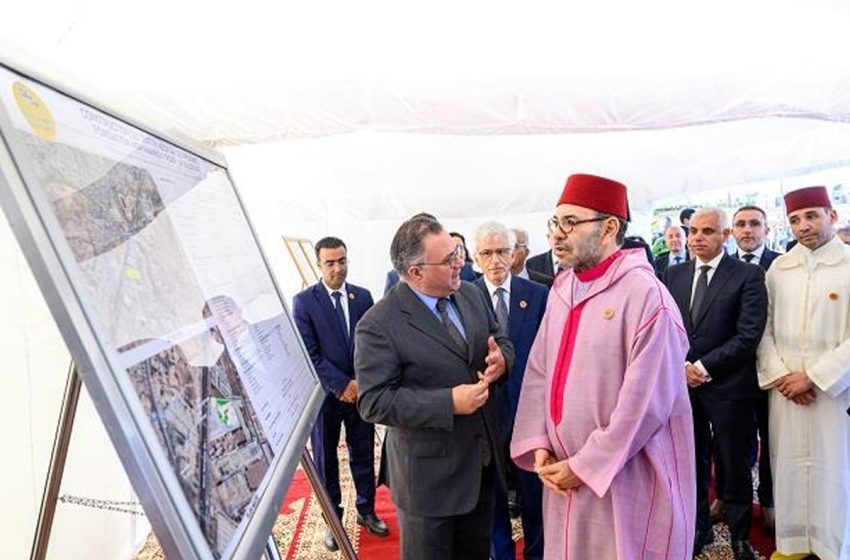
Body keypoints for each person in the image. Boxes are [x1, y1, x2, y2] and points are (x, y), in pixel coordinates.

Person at [511, 173, 695, 559]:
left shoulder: (646, 296)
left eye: (571, 223)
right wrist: (540, 442)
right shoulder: (564, 288)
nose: (558, 234)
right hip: (564, 475)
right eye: (555, 222)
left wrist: (586, 464)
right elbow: (539, 372)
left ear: (610, 227)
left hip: (624, 475)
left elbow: (644, 406)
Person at [355, 215, 515, 560]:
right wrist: (449, 403)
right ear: (416, 272)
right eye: (449, 260)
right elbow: (374, 402)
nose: (461, 262)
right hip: (429, 485)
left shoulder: (471, 293)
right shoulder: (379, 324)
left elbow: (499, 338)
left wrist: (503, 359)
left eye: (458, 252)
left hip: (481, 466)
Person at [663, 208, 767, 560]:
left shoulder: (748, 275)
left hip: (730, 388)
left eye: (707, 231)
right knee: (689, 461)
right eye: (692, 231)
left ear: (725, 235)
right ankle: (697, 528)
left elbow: (748, 334)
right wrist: (681, 367)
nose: (697, 238)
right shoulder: (673, 274)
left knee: (733, 462)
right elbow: (664, 328)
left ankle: (739, 535)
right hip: (682, 389)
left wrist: (703, 367)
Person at [757, 186, 850, 560]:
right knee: (789, 466)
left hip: (834, 393)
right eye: (795, 219)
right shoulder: (780, 268)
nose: (803, 226)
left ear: (832, 216)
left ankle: (834, 546)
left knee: (836, 468)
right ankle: (794, 544)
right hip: (786, 393)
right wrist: (783, 377)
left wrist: (813, 376)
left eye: (811, 216)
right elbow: (763, 330)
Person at [291, 237, 388, 551]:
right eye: (330, 262)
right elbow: (310, 353)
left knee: (363, 455)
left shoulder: (363, 297)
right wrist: (341, 384)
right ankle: (333, 520)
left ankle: (366, 511)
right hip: (325, 398)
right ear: (319, 264)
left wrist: (360, 382)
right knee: (326, 461)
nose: (337, 268)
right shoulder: (304, 301)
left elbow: (374, 344)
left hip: (360, 394)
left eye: (342, 260)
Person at [472, 221, 547, 560]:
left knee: (535, 496)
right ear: (476, 257)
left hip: (531, 413)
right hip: (484, 415)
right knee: (493, 497)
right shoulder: (464, 297)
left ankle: (537, 553)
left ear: (515, 253)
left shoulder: (539, 295)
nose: (495, 260)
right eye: (486, 253)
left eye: (502, 251)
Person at [724, 204, 780, 531]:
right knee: (734, 444)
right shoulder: (725, 268)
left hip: (774, 373)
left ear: (766, 230)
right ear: (732, 231)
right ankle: (732, 499)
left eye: (754, 224)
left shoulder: (782, 265)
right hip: (733, 373)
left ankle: (771, 500)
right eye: (741, 224)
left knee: (772, 441)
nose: (748, 230)